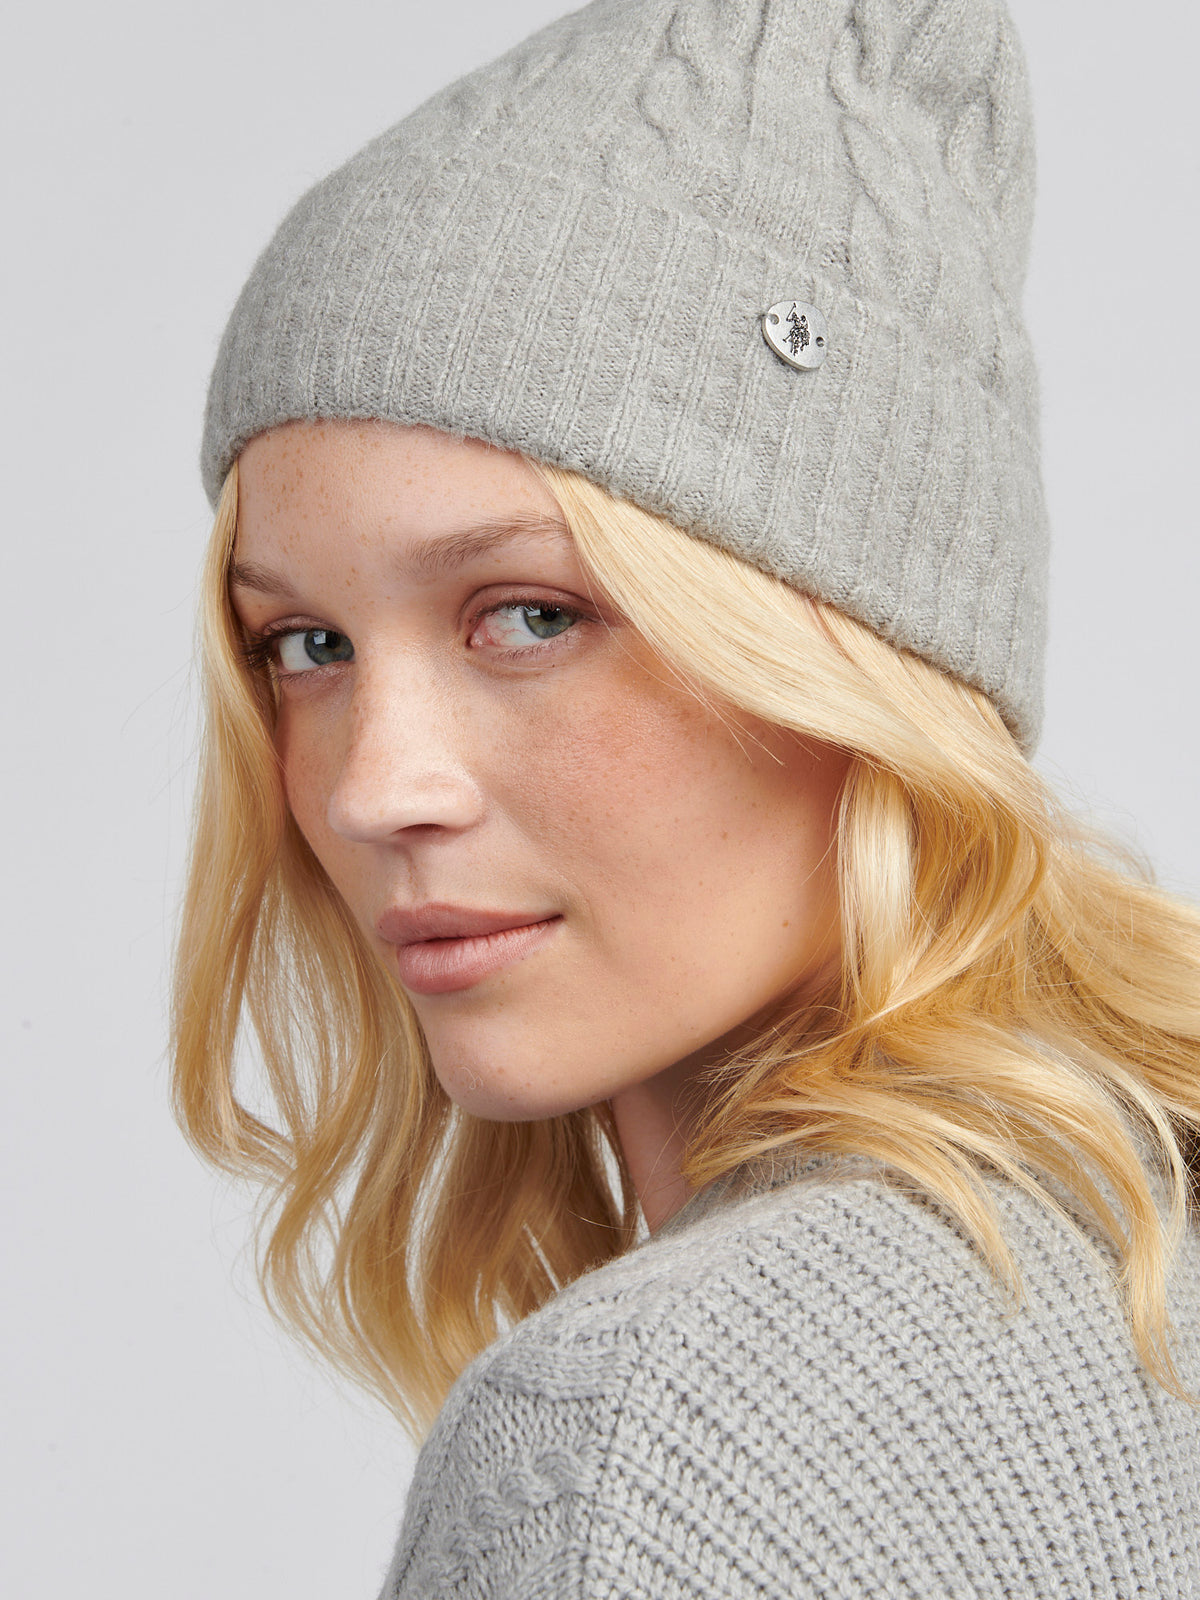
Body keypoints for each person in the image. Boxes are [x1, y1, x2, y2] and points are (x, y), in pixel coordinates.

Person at [171, 0, 1200, 1593]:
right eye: (304, 646)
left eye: (532, 615)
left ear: (860, 652)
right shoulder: (1140, 1240)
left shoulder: (649, 1437)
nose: (374, 789)